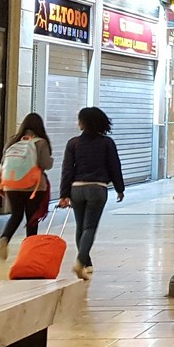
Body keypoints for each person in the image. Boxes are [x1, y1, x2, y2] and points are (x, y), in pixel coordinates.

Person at [58, 107, 124, 280]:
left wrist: (64, 194)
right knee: (89, 227)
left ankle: (87, 264)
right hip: (97, 188)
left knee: (81, 227)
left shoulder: (73, 143)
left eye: (79, 120)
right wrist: (119, 188)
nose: (77, 123)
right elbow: (114, 166)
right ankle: (80, 261)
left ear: (84, 123)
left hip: (77, 189)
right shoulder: (106, 143)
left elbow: (67, 170)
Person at [0, 112, 53, 259]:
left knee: (16, 215)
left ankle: (5, 238)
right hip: (33, 186)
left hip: (11, 185)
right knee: (31, 220)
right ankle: (29, 253)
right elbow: (45, 164)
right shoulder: (41, 142)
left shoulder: (13, 141)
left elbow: (3, 163)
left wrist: (0, 183)